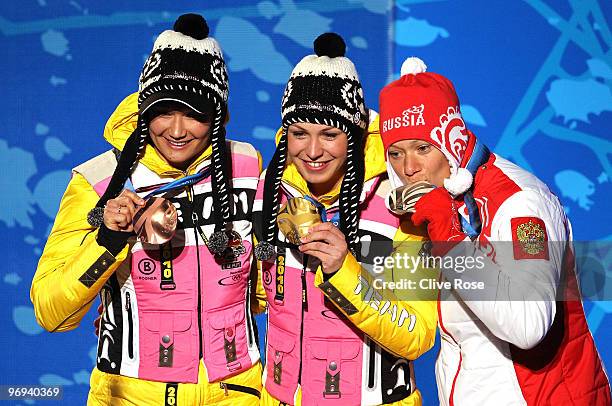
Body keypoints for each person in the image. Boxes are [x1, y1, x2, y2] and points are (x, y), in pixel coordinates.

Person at [31, 14, 264, 405]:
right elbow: (50, 310)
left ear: (218, 116)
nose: (176, 129)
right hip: (131, 395)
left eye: (194, 113)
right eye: (163, 110)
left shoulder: (247, 166)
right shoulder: (99, 181)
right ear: (144, 108)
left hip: (238, 392)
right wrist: (107, 242)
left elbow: (264, 287)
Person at [379, 57, 611, 405]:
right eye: (396, 153)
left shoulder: (521, 205)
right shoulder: (435, 202)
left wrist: (449, 238)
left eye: (423, 148)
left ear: (451, 139)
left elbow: (527, 325)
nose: (409, 167)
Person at [253, 34, 437, 405]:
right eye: (299, 133)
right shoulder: (268, 190)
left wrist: (344, 272)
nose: (313, 151)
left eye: (330, 135)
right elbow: (257, 296)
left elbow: (418, 335)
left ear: (353, 136)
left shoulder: (403, 205)